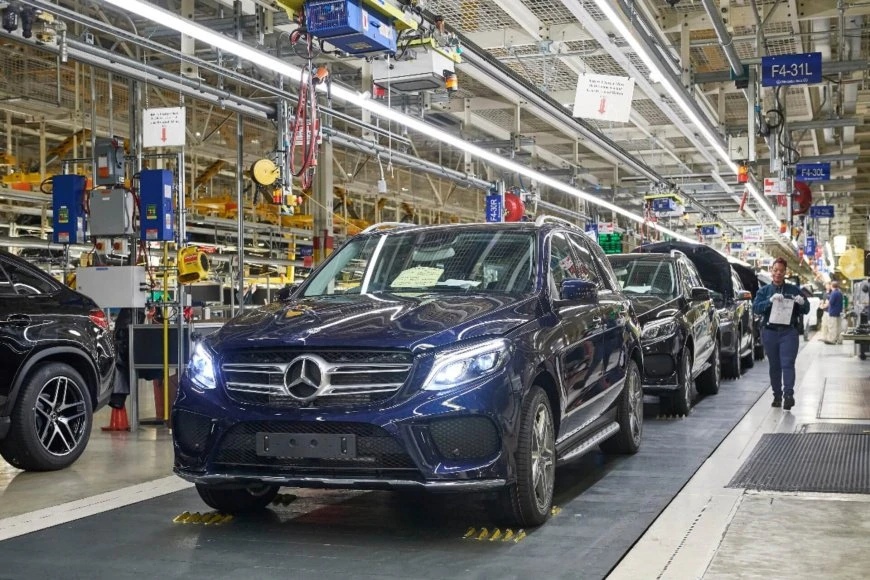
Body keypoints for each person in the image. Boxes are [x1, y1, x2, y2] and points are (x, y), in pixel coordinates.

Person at [752, 258, 810, 410]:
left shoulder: (793, 290)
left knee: (787, 363)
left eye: (781, 271)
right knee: (775, 365)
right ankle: (777, 395)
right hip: (770, 333)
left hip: (788, 332)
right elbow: (755, 308)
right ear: (771, 271)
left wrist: (802, 302)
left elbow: (806, 309)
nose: (778, 273)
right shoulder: (764, 291)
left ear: (785, 273)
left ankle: (788, 395)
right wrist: (769, 301)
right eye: (775, 270)